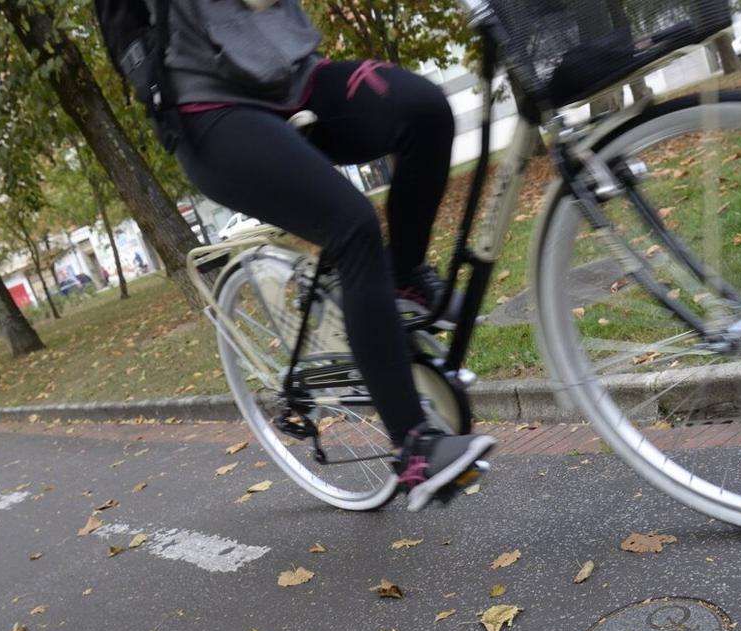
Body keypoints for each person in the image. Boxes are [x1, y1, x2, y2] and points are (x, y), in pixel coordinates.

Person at [137, 0, 496, 510]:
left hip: (297, 78)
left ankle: (404, 275)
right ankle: (414, 447)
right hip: (208, 110)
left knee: (426, 110)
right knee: (352, 226)